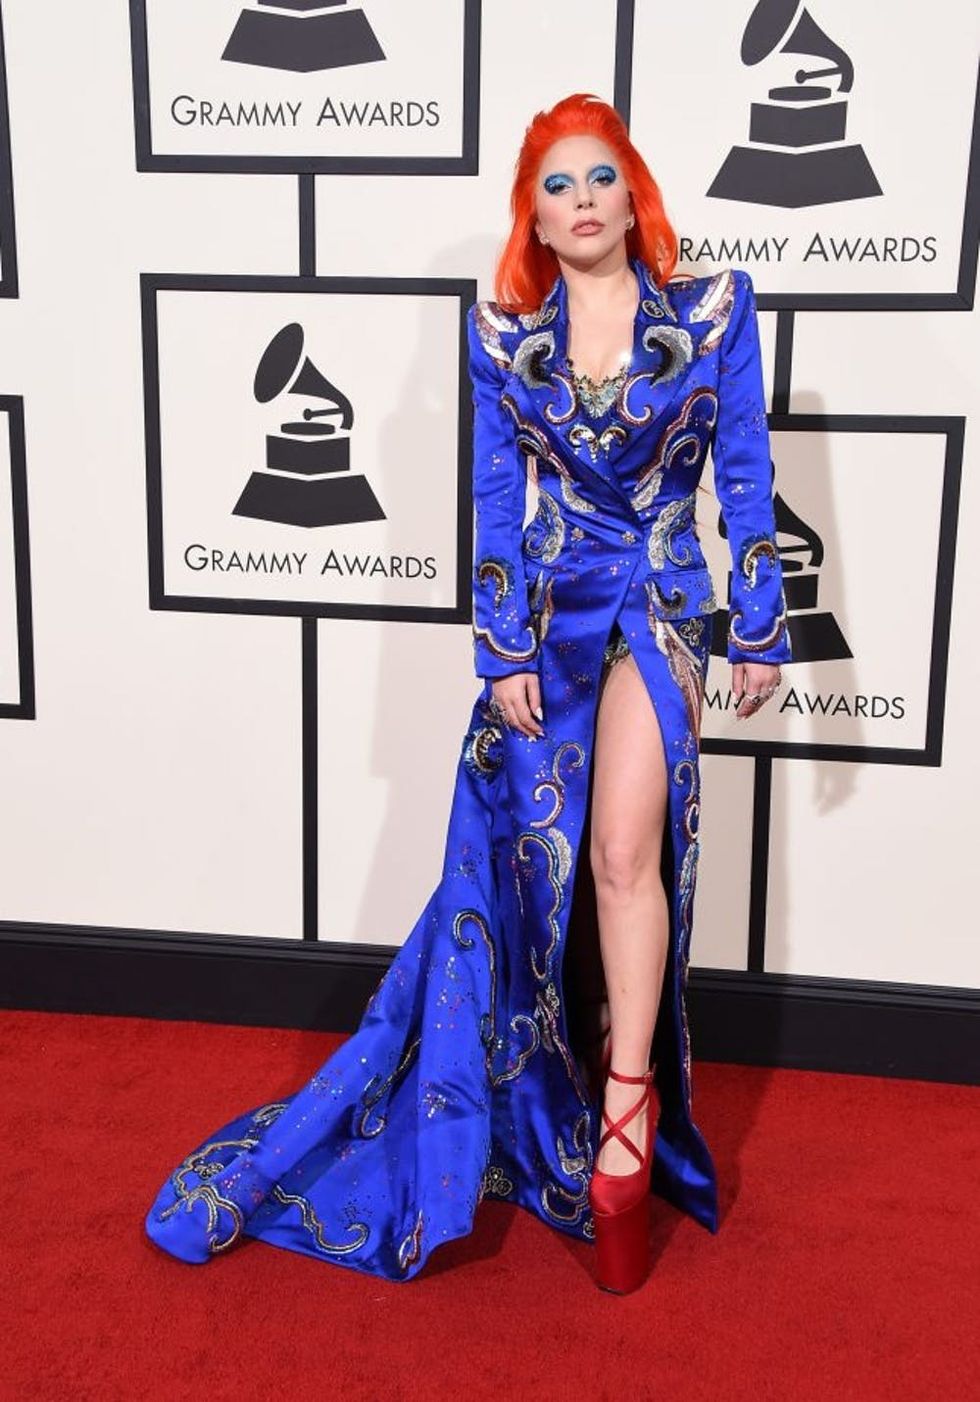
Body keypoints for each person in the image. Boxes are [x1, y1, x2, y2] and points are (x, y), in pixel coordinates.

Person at [144, 92, 790, 1294]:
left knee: (620, 852)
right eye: (556, 184)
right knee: (531, 882)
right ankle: (541, 1097)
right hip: (547, 617)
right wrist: (500, 653)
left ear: (632, 195)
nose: (581, 200)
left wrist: (756, 621)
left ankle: (626, 1112)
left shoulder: (712, 311)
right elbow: (496, 497)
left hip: (658, 600)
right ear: (531, 218)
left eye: (600, 177)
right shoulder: (500, 339)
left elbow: (743, 471)